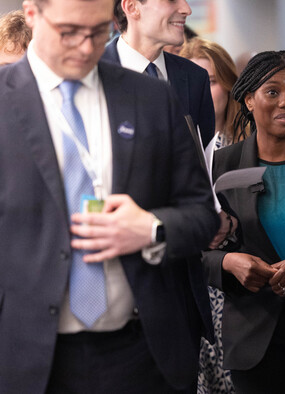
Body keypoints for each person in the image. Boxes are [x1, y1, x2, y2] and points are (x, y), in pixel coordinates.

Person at [0, 0, 219, 391]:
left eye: (98, 32)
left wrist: (152, 229)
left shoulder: (151, 98)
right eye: (70, 32)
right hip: (29, 357)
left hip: (142, 352)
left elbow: (203, 215)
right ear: (32, 14)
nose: (86, 47)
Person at [202, 50, 285, 394]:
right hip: (253, 342)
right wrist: (228, 262)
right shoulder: (220, 167)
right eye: (273, 91)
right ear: (248, 101)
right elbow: (192, 252)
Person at [179, 35, 241, 394]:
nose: (202, 90)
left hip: (238, 289)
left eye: (211, 81)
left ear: (230, 87)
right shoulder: (175, 143)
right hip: (192, 283)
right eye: (194, 81)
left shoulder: (245, 141)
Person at [103, 0, 215, 146]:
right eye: (172, 1)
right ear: (132, 7)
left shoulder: (195, 78)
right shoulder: (90, 73)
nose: (187, 9)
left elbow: (202, 160)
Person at [180, 37, 244, 148]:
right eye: (191, 84)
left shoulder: (254, 142)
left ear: (229, 85)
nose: (200, 91)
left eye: (210, 82)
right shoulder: (169, 148)